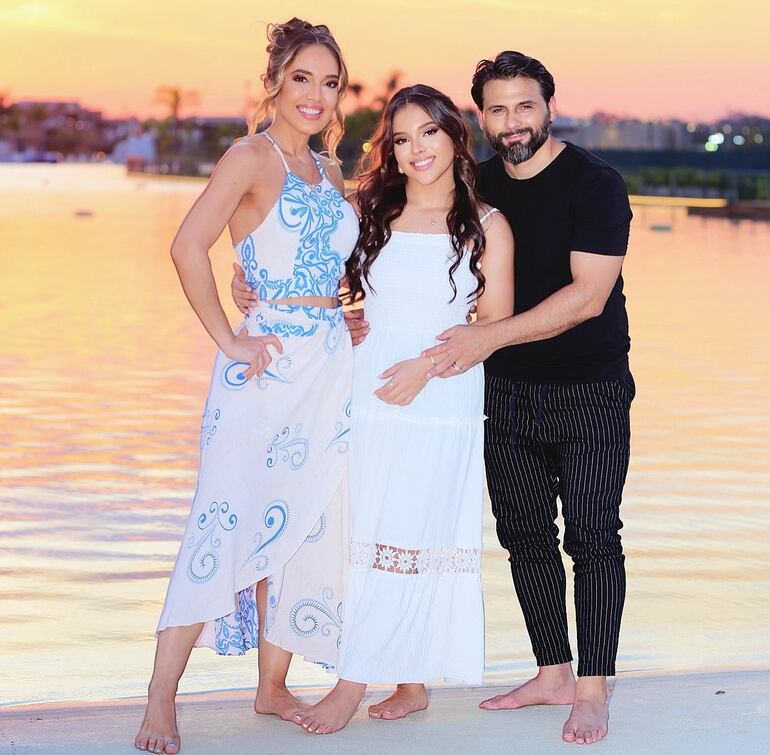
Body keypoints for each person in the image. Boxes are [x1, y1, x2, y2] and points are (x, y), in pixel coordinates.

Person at [233, 85, 514, 735]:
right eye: (401, 137)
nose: (416, 149)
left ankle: (351, 683)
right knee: (367, 527)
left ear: (454, 137)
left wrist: (426, 367)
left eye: (429, 134)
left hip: (441, 391)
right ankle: (408, 681)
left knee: (412, 528)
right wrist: (242, 279)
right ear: (388, 147)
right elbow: (289, 262)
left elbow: (492, 326)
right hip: (360, 388)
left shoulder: (488, 224)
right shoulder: (365, 209)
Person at [134, 19, 359, 755]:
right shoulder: (250, 156)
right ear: (276, 81)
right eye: (303, 78)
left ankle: (271, 684)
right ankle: (160, 700)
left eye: (330, 83)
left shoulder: (331, 170)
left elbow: (330, 270)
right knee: (221, 521)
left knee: (303, 525)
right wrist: (230, 335)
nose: (317, 96)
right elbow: (186, 245)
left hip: (328, 371)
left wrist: (345, 316)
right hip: (261, 374)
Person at [416, 52, 635, 746]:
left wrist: (489, 337)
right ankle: (551, 671)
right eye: (498, 110)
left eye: (525, 107)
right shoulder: (473, 185)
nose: (512, 123)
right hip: (506, 390)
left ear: (548, 106)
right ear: (481, 115)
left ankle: (593, 690)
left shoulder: (596, 185)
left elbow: (588, 296)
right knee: (524, 537)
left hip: (590, 387)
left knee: (594, 536)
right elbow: (411, 248)